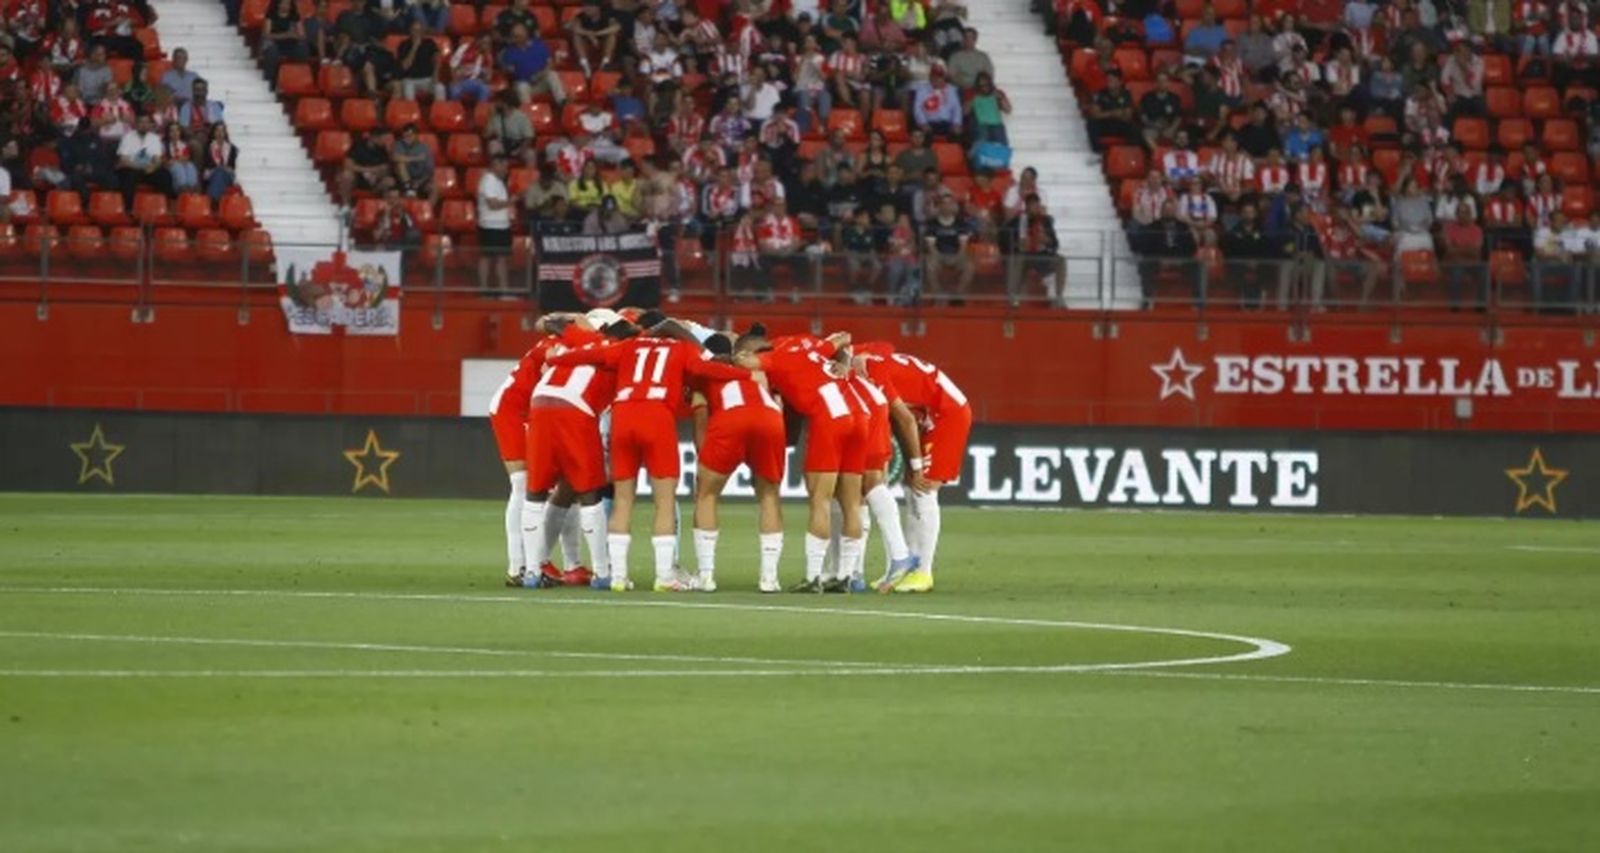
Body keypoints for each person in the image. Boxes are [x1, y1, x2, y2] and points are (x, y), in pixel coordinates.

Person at [546, 327, 751, 592]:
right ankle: (665, 576)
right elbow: (707, 370)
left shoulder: (629, 346)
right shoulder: (682, 348)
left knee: (622, 499)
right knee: (664, 501)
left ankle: (618, 576)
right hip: (657, 417)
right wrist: (745, 375)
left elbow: (591, 356)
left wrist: (555, 359)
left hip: (623, 415)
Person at [852, 343, 968, 593]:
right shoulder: (862, 355)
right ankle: (904, 569)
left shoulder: (871, 371)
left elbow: (904, 420)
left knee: (923, 488)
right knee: (910, 488)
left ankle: (923, 572)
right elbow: (884, 345)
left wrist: (916, 467)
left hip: (946, 414)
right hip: (924, 414)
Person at [488, 312, 593, 588]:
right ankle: (518, 566)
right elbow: (551, 370)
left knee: (563, 486)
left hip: (534, 412)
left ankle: (553, 562)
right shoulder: (555, 346)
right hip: (514, 410)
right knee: (523, 485)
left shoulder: (561, 343)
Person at [688, 330, 787, 592]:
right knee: (769, 496)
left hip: (730, 419)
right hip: (770, 419)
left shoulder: (706, 372)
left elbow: (700, 416)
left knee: (707, 495)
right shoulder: (759, 373)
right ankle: (769, 578)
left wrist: (704, 458)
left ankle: (706, 576)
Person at [501, 24, 566, 106]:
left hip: (541, 81)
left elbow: (550, 64)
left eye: (518, 36)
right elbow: (509, 71)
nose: (515, 39)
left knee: (552, 74)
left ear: (526, 35)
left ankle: (562, 103)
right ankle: (529, 112)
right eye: (514, 36)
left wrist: (539, 75)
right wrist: (508, 69)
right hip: (524, 84)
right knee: (522, 86)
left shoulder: (539, 45)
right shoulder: (509, 52)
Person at [923, 195, 973, 298]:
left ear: (953, 206)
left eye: (949, 203)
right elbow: (931, 247)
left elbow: (963, 246)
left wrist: (957, 258)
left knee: (970, 266)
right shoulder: (932, 223)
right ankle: (937, 294)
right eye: (944, 203)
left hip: (956, 254)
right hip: (938, 255)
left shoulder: (961, 223)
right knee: (930, 265)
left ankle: (958, 295)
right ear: (939, 206)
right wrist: (939, 259)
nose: (947, 206)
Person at [476, 155, 513, 292]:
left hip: (501, 225)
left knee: (501, 259)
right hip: (490, 225)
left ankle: (503, 289)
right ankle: (484, 289)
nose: (506, 169)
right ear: (495, 164)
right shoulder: (488, 180)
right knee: (487, 257)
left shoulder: (499, 181)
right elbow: (492, 204)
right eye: (504, 165)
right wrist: (511, 201)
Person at [1439, 204, 1486, 309]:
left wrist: (1457, 247)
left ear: (1470, 214)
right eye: (1461, 212)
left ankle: (1480, 304)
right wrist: (1468, 248)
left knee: (1484, 271)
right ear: (1456, 215)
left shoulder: (1477, 230)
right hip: (1454, 262)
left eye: (1466, 213)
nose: (1464, 215)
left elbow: (1476, 252)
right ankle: (1455, 304)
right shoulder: (1449, 229)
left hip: (1472, 262)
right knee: (1457, 271)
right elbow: (1449, 250)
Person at [116, 113, 168, 205]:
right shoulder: (127, 138)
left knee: (164, 175)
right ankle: (129, 208)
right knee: (128, 176)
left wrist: (154, 167)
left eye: (146, 122)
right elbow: (123, 161)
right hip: (132, 168)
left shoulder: (154, 138)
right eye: (141, 122)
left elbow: (158, 159)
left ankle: (160, 206)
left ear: (150, 125)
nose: (144, 125)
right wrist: (139, 167)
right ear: (136, 124)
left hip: (148, 169)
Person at [911, 64, 962, 138]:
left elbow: (957, 109)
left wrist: (956, 124)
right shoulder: (922, 89)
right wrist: (923, 123)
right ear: (930, 77)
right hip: (929, 123)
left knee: (957, 134)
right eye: (934, 77)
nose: (936, 79)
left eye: (939, 77)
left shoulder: (951, 90)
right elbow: (917, 109)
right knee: (925, 134)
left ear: (943, 77)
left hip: (947, 123)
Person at [202, 123, 238, 201]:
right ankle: (218, 200)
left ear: (225, 133)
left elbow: (234, 169)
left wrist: (227, 169)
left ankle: (213, 199)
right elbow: (205, 170)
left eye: (222, 130)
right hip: (212, 174)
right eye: (217, 130)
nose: (220, 133)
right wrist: (216, 170)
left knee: (221, 172)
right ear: (213, 133)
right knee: (219, 172)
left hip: (228, 175)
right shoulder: (208, 147)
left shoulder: (232, 148)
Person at [163, 121, 199, 194]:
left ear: (180, 132)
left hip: (182, 167)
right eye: (172, 131)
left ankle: (192, 189)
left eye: (177, 130)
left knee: (190, 165)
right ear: (168, 133)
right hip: (170, 170)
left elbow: (186, 158)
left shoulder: (184, 145)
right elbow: (165, 161)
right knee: (177, 166)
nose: (175, 133)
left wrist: (176, 160)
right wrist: (176, 161)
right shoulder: (164, 145)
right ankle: (183, 189)